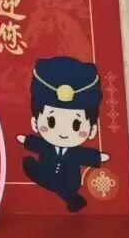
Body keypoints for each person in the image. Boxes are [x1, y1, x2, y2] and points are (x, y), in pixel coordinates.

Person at [18, 56, 110, 212]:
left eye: (76, 125)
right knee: (44, 176)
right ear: (35, 122)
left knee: (63, 184)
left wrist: (98, 157)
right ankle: (71, 197)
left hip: (69, 180)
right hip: (44, 173)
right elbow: (37, 144)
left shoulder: (75, 153)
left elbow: (85, 156)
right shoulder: (47, 146)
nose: (63, 133)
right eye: (51, 122)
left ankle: (69, 195)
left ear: (92, 130)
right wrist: (26, 140)